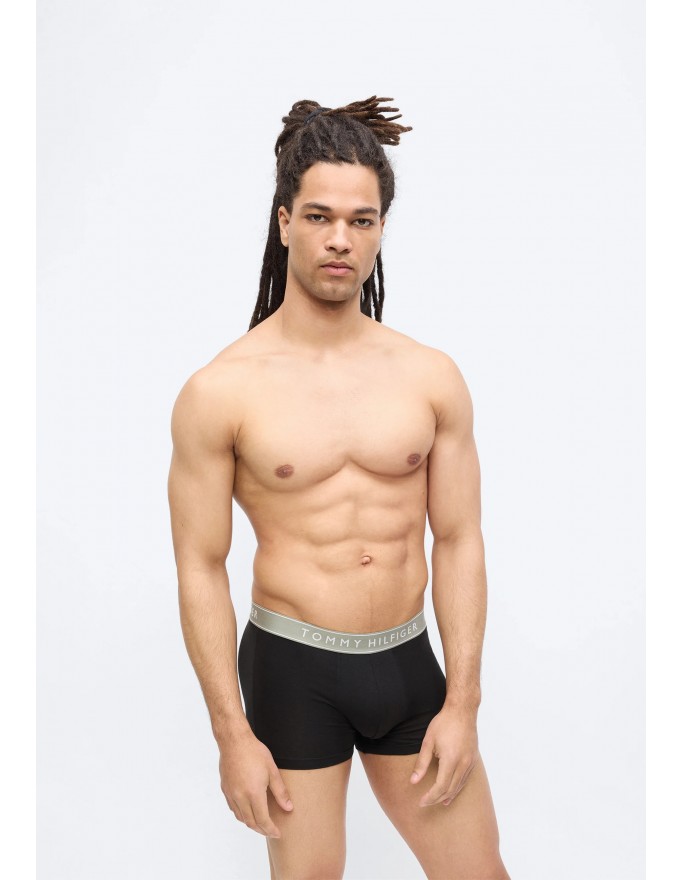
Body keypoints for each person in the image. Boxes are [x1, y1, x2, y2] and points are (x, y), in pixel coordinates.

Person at [167, 95, 511, 880]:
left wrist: (462, 701)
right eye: (320, 216)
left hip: (407, 662)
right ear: (284, 221)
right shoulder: (221, 391)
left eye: (362, 220)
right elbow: (199, 566)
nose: (339, 239)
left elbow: (459, 538)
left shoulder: (429, 376)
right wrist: (231, 734)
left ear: (381, 229)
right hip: (294, 669)